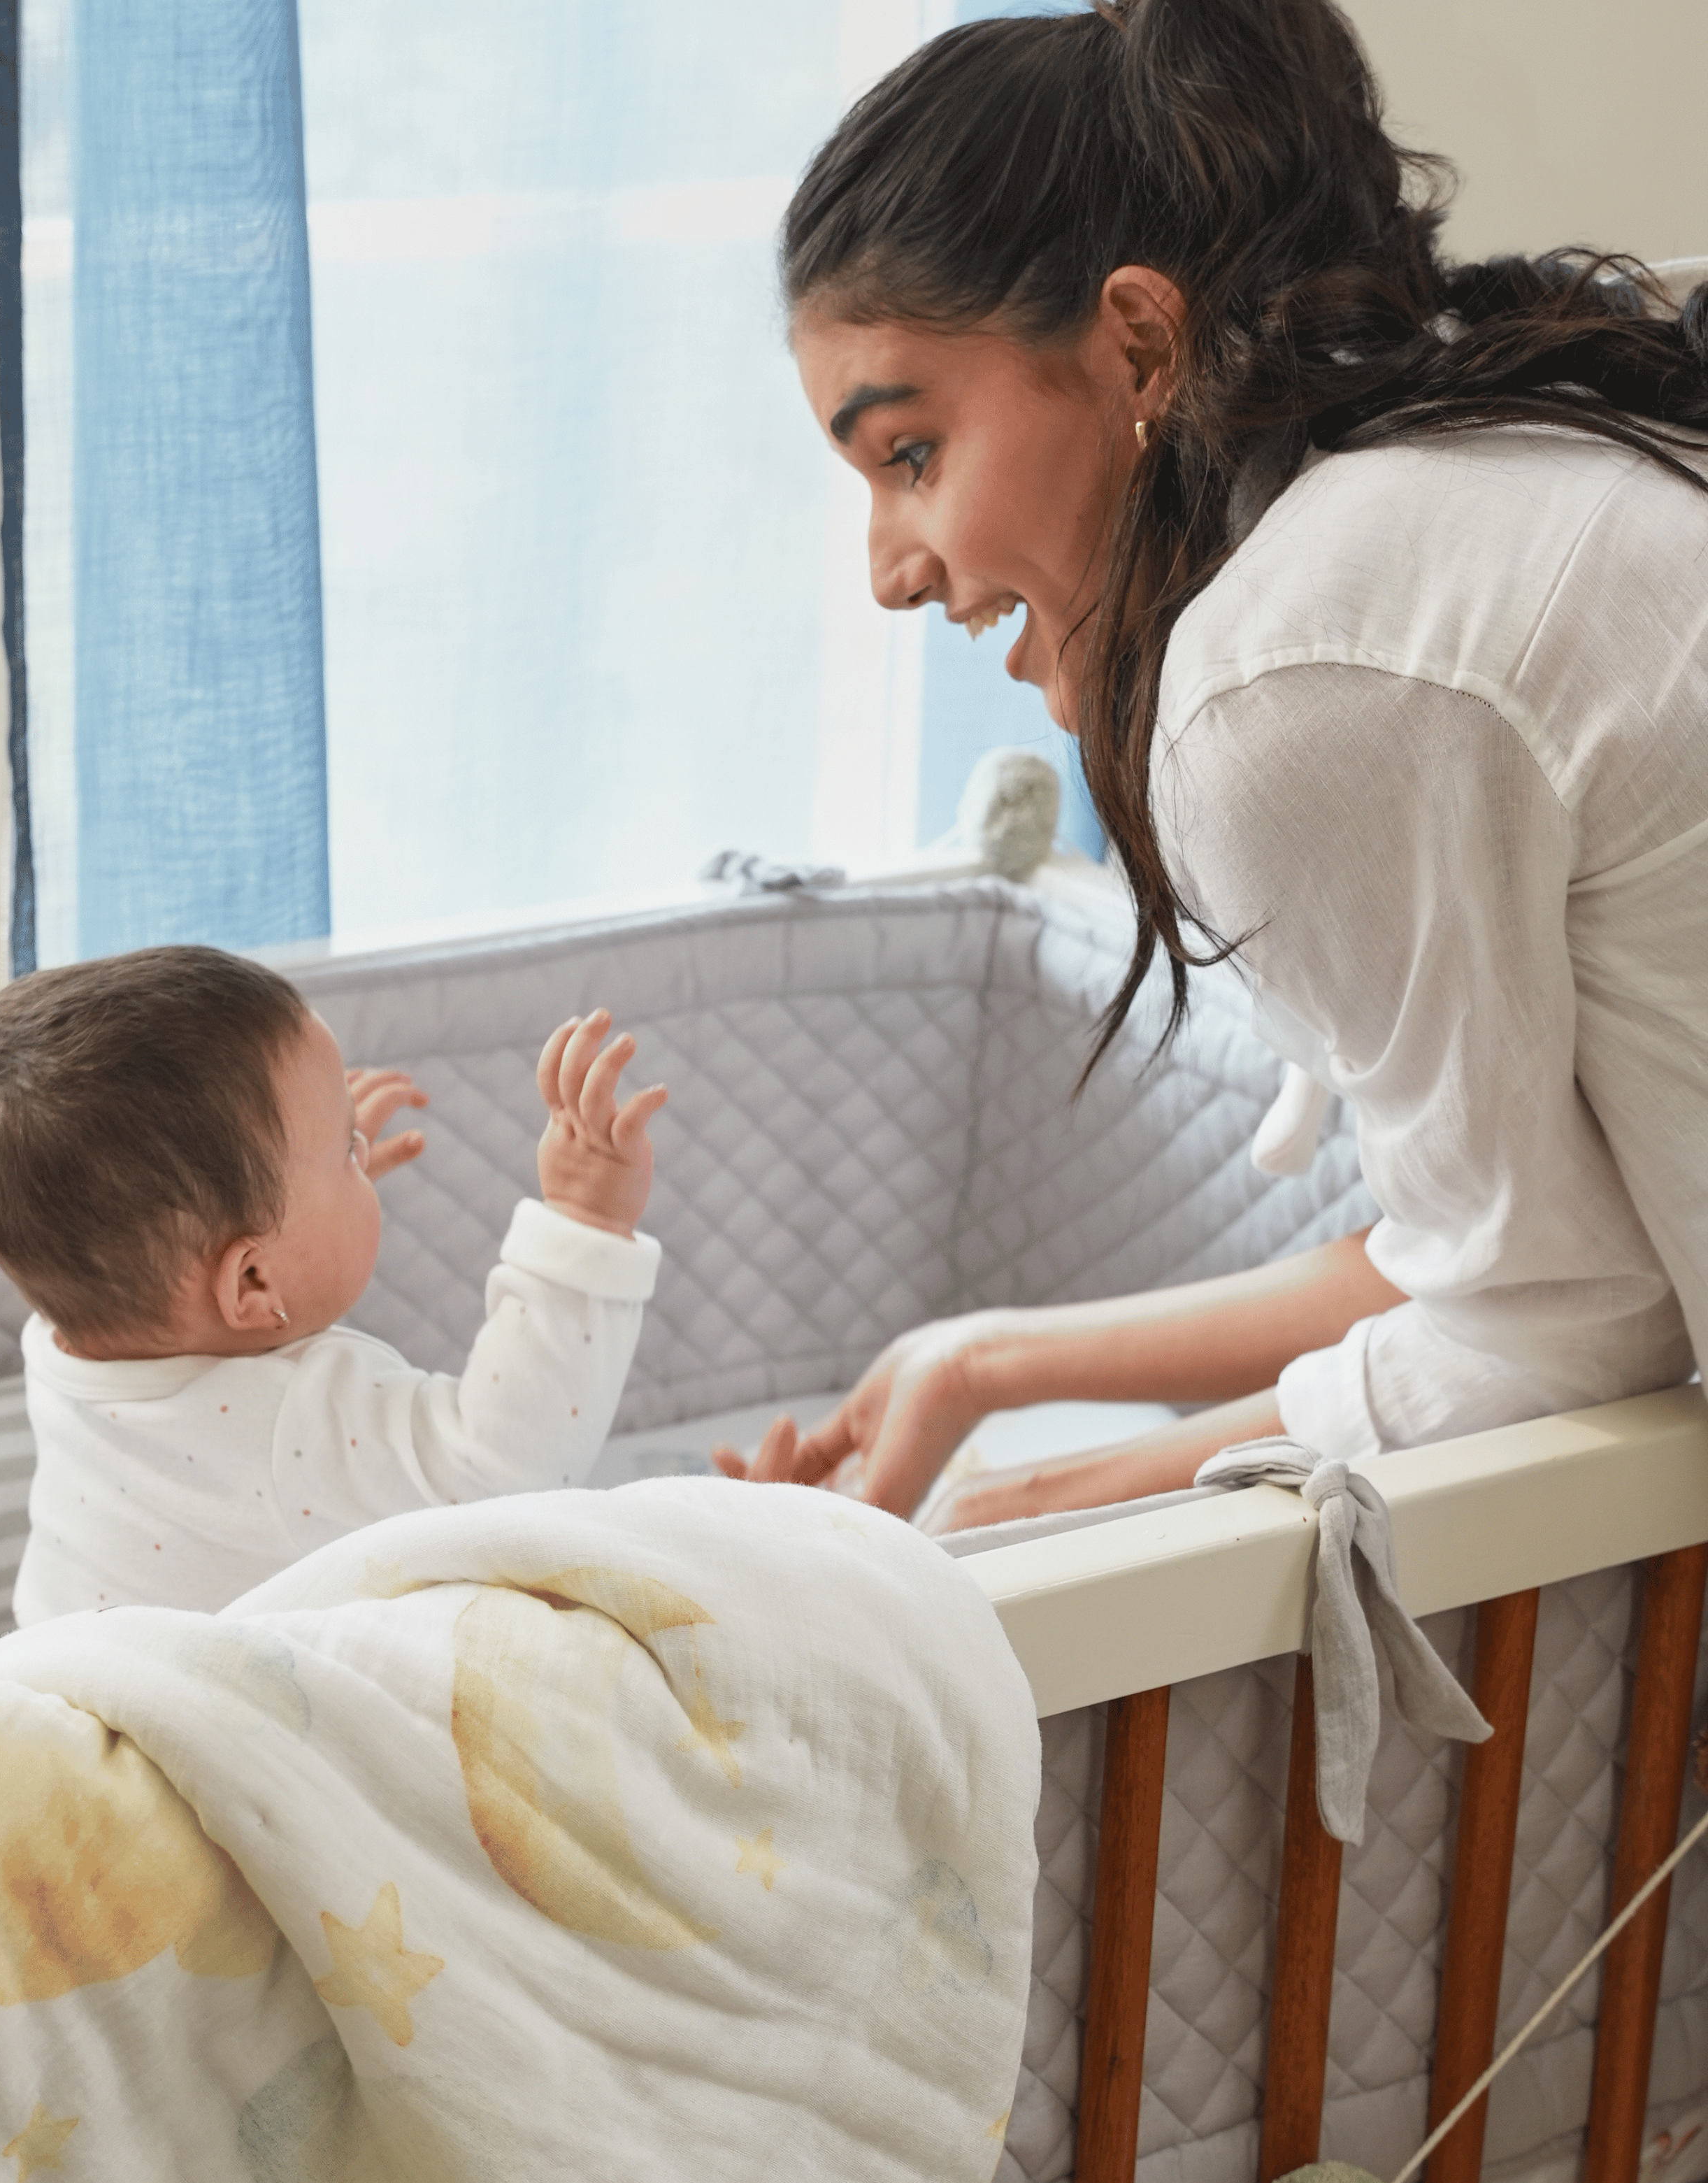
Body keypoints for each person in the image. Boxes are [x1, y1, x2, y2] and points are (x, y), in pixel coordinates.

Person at [719, 0, 1707, 1529]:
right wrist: (975, 1366)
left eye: (910, 455)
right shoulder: (1438, 471)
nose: (890, 575)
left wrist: (1036, 1510)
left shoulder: (1291, 669)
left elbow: (1563, 1325)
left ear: (1137, 344)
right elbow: (1539, 1250)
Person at [0, 945, 666, 1624]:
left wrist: (304, 1210)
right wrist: (584, 1223)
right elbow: (500, 1468)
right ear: (252, 1278)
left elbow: (224, 1283)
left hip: (61, 1686)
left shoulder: (70, 1340)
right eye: (345, 1151)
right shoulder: (296, 1426)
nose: (359, 1148)